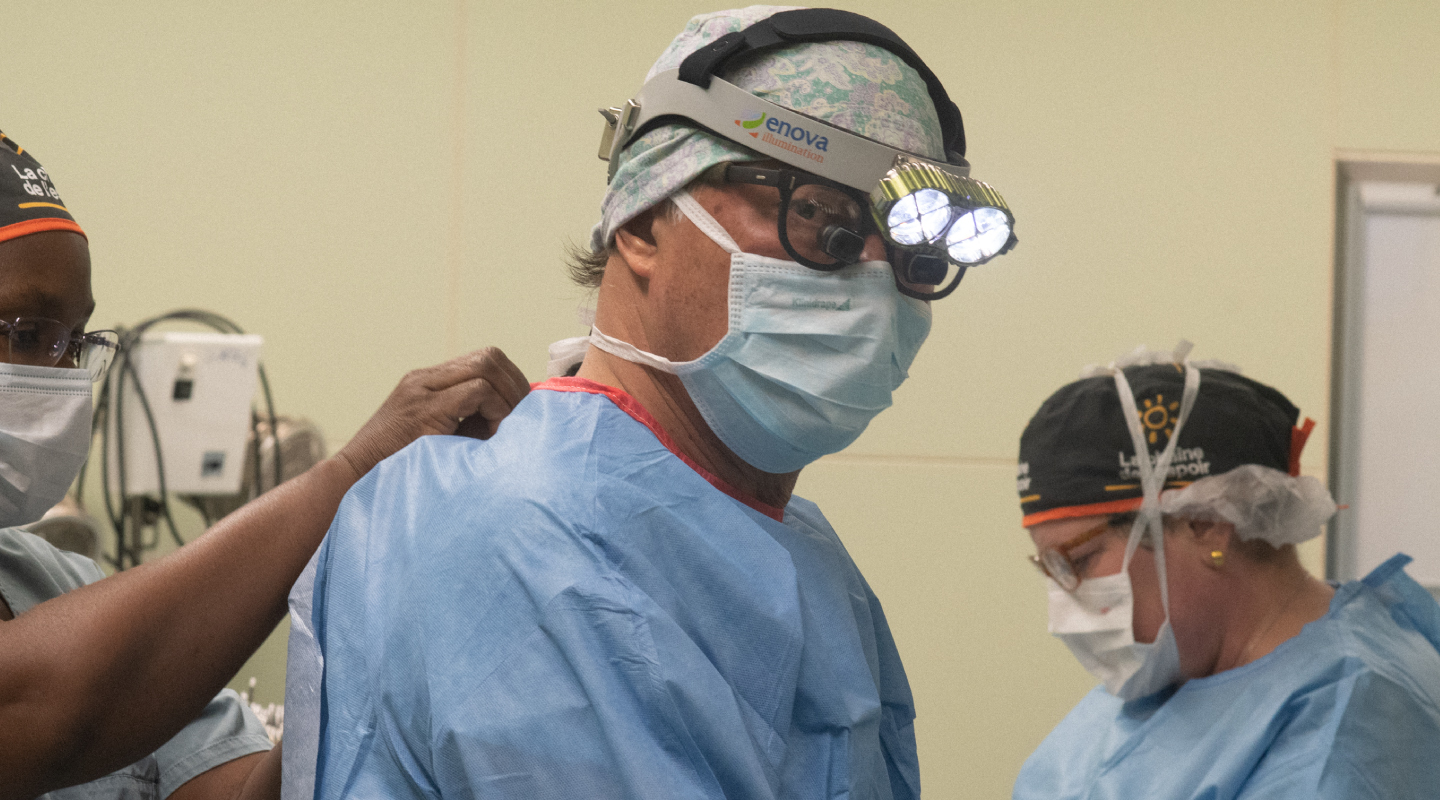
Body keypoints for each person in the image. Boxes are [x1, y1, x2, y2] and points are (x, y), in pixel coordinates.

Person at [289, 6, 1018, 799]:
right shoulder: (534, 534)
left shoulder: (797, 554)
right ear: (642, 222)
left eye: (913, 251)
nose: (874, 280)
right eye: (818, 218)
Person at [0, 127, 531, 800]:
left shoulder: (56, 583)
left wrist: (383, 646)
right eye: (26, 334)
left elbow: (235, 790)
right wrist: (352, 472)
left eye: (77, 342)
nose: (64, 374)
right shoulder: (89, 663)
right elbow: (49, 708)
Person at [1012, 345, 1440, 799]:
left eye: (1079, 561)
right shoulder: (1168, 676)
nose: (1064, 603)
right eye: (1050, 567)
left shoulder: (1347, 717)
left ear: (1208, 523)